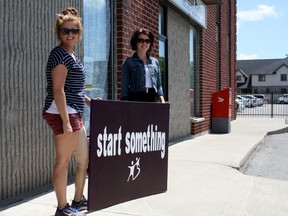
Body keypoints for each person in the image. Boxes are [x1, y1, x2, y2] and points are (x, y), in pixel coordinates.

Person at [43, 7, 90, 216]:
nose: (70, 34)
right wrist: (66, 121)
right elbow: (58, 89)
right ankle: (62, 208)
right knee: (62, 161)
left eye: (74, 30)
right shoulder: (60, 54)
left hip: (73, 111)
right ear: (58, 33)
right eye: (65, 31)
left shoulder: (72, 55)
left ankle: (78, 200)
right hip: (65, 113)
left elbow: (73, 88)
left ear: (79, 33)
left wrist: (87, 101)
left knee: (83, 158)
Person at [121, 28, 165, 103]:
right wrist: (125, 103)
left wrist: (162, 101)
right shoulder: (128, 62)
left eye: (147, 41)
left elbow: (158, 85)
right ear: (135, 42)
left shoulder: (155, 62)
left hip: (152, 98)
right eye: (140, 40)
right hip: (135, 98)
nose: (144, 43)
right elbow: (124, 87)